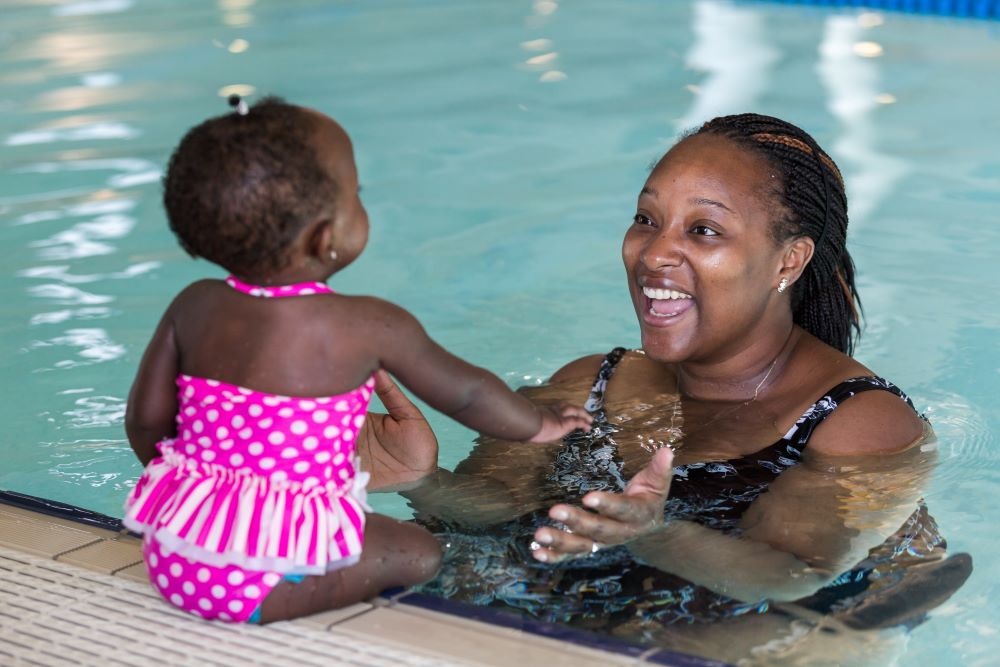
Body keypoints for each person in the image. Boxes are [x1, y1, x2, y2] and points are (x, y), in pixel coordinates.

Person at [355, 113, 972, 664]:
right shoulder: (591, 383)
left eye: (704, 230)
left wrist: (656, 532)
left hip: (775, 630)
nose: (654, 254)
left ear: (789, 260)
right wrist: (421, 481)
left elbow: (788, 576)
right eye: (647, 219)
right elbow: (493, 522)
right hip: (579, 616)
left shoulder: (858, 422)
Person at [121, 96, 591, 625]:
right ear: (325, 236)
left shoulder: (194, 305)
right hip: (259, 586)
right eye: (356, 195)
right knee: (420, 552)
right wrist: (543, 425)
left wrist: (202, 508)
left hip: (173, 555)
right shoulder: (368, 324)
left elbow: (145, 420)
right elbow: (468, 393)